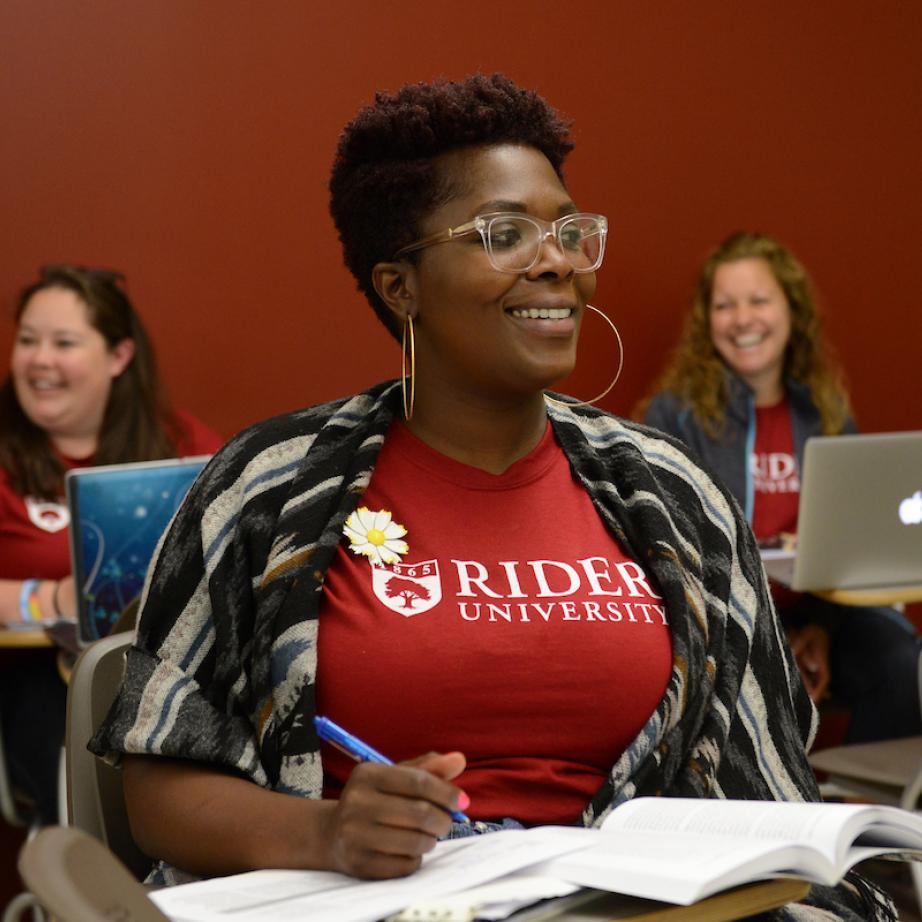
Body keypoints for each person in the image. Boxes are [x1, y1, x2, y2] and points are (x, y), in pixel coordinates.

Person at [91, 77, 894, 919]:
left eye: (568, 230)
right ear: (400, 286)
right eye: (503, 233)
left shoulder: (672, 493)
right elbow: (159, 783)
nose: (556, 259)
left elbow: (761, 769)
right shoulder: (271, 488)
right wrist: (324, 832)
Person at [640, 231, 922, 745]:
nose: (743, 318)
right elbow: (661, 544)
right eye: (725, 305)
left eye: (758, 300)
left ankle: (870, 815)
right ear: (709, 323)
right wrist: (770, 636)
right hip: (723, 627)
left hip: (819, 619)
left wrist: (819, 630)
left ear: (791, 311)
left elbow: (851, 546)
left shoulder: (826, 413)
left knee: (902, 661)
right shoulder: (675, 415)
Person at [0, 264, 224, 825]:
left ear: (119, 357)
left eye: (64, 343)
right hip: (39, 688)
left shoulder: (179, 445)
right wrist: (51, 601)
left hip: (171, 676)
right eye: (27, 340)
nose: (39, 359)